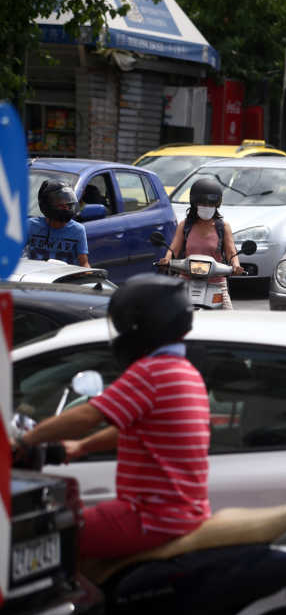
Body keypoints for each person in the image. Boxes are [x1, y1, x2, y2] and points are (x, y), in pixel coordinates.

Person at [11, 275, 211, 560]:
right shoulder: (184, 372)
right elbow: (132, 430)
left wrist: (24, 439)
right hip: (179, 513)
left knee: (46, 538)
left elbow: (87, 415)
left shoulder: (152, 372)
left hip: (149, 516)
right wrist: (81, 447)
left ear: (141, 328)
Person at [159, 177, 244, 309]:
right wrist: (166, 259)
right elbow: (173, 248)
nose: (207, 207)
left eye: (211, 204)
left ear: (217, 205)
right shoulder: (185, 225)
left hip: (216, 283)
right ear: (194, 203)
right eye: (203, 204)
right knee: (171, 313)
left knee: (228, 318)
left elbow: (231, 252)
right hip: (186, 280)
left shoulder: (223, 227)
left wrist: (236, 266)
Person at [25, 180, 89, 266]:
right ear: (47, 205)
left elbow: (84, 263)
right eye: (61, 204)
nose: (66, 207)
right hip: (35, 277)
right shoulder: (31, 226)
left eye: (68, 203)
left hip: (63, 278)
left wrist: (89, 275)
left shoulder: (78, 230)